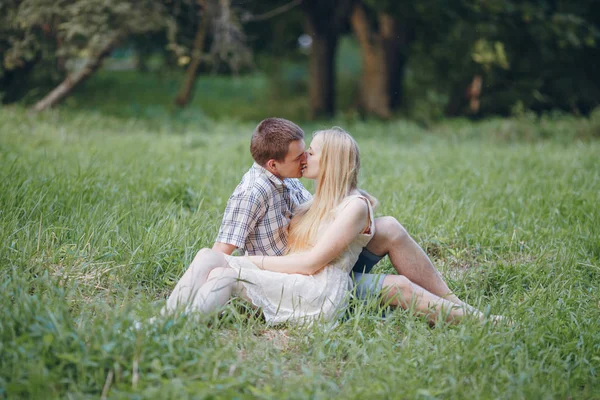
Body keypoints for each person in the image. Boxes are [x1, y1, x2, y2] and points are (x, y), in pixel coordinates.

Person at [163, 127, 491, 325]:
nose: (304, 156)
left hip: (317, 286)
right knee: (213, 261)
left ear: (329, 162)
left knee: (390, 239)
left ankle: (461, 308)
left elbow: (310, 262)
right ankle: (166, 322)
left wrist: (244, 261)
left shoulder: (351, 206)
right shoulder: (302, 194)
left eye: (312, 152)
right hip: (304, 279)